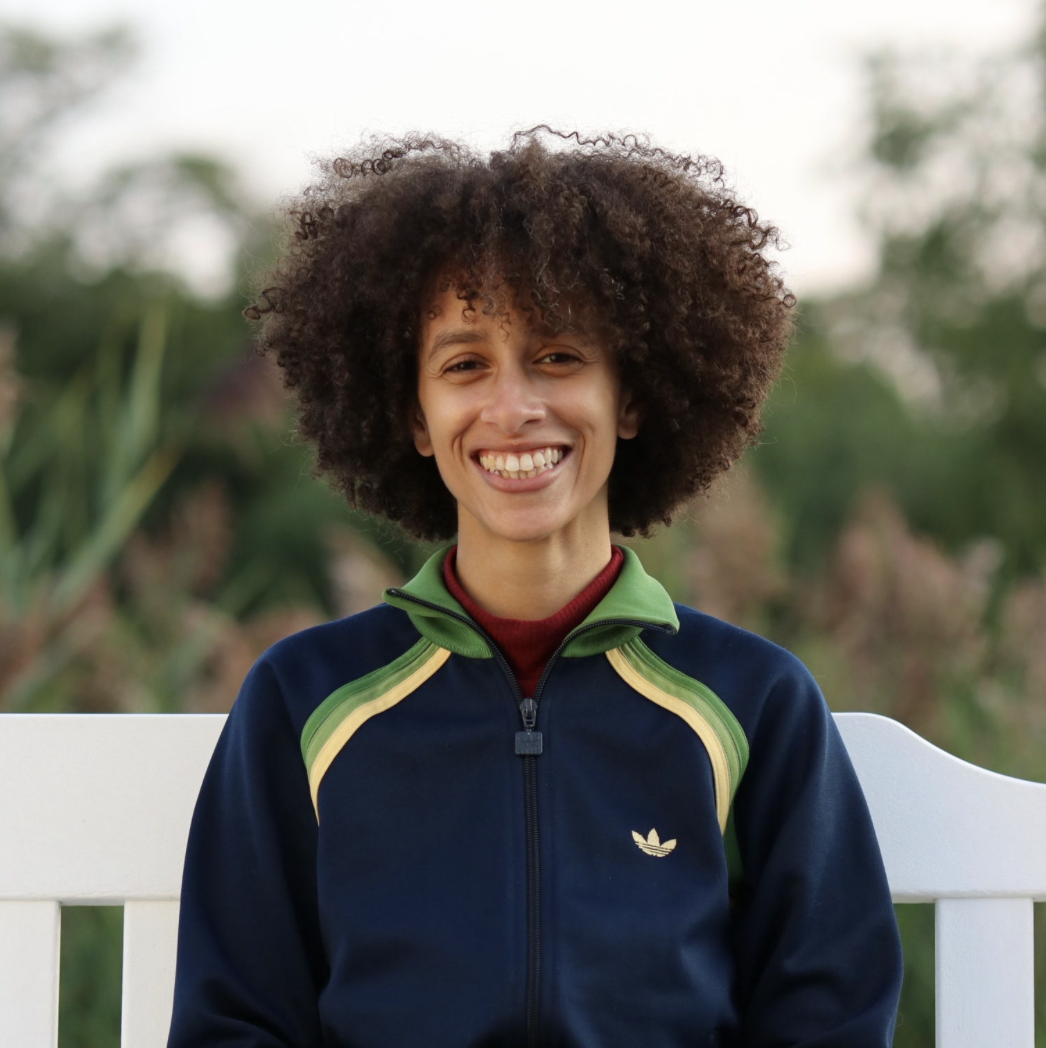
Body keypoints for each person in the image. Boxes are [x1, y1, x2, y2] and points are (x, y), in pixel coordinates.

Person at [167, 128, 903, 1048]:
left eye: (558, 356)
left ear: (631, 398)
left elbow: (827, 1012)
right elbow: (236, 1018)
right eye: (465, 363)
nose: (512, 406)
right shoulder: (304, 699)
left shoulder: (754, 701)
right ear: (416, 418)